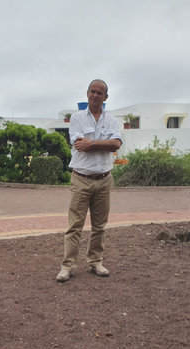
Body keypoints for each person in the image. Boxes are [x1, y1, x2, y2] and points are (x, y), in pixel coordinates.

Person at [56, 79, 122, 282]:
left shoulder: (111, 120)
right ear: (87, 94)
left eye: (99, 93)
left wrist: (92, 143)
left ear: (106, 97)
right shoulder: (76, 118)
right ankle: (68, 266)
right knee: (74, 226)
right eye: (92, 91)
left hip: (104, 179)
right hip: (81, 179)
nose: (95, 95)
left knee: (99, 226)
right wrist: (104, 143)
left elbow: (116, 144)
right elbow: (78, 144)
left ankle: (96, 262)